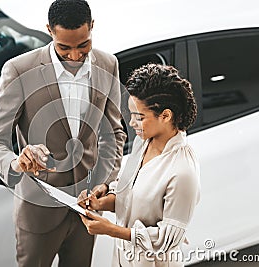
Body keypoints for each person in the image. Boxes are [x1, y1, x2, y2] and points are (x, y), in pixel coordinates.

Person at [0, 0, 126, 266]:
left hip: (86, 210)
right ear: (49, 30)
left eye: (83, 45)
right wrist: (16, 162)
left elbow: (114, 133)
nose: (74, 56)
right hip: (38, 213)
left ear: (92, 27)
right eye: (64, 48)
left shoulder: (108, 64)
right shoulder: (19, 70)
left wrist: (103, 183)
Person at [79, 63, 201, 267]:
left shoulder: (182, 172)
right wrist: (104, 200)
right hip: (124, 259)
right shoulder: (143, 142)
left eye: (140, 117)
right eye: (131, 115)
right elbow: (129, 194)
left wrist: (111, 230)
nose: (132, 123)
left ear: (165, 116)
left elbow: (168, 239)